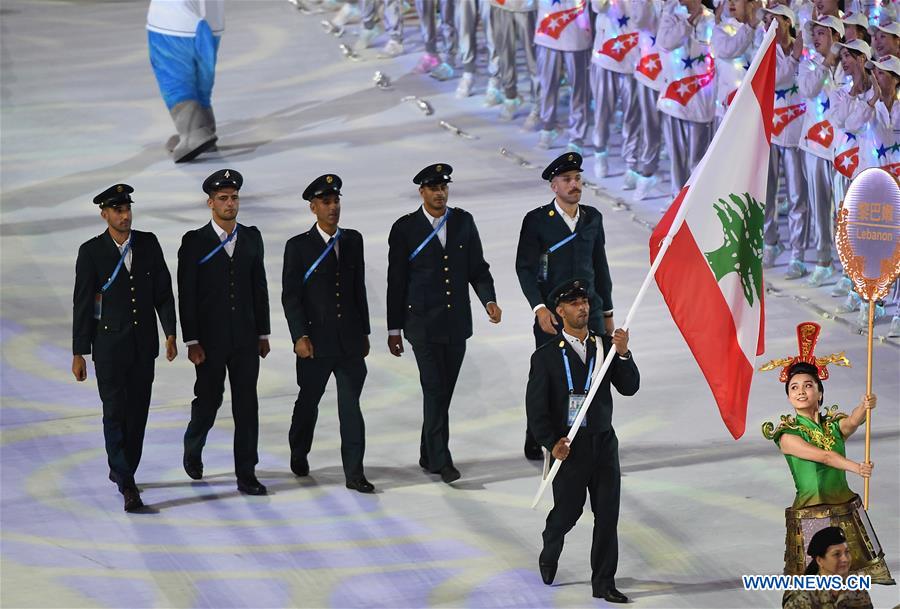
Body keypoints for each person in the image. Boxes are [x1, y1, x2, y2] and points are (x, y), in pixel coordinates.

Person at [386, 163, 501, 484]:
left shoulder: (463, 221)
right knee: (435, 389)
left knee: (443, 392)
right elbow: (396, 281)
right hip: (422, 325)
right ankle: (441, 458)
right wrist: (394, 329)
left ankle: (428, 451)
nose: (440, 193)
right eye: (433, 188)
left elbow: (477, 268)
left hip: (456, 323)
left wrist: (489, 300)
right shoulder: (405, 229)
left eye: (443, 187)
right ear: (421, 191)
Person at [526, 279, 639, 603]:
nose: (583, 307)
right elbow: (536, 410)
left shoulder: (605, 347)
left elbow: (630, 387)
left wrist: (624, 354)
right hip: (570, 448)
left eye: (585, 302)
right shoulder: (546, 357)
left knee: (607, 516)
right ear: (560, 311)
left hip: (603, 444)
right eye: (574, 303)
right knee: (568, 513)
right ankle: (551, 542)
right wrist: (551, 442)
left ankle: (603, 582)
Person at [761, 321, 894, 585]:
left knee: (849, 578)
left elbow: (852, 422)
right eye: (794, 387)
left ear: (820, 393)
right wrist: (856, 467)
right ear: (788, 397)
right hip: (812, 515)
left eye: (808, 385)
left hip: (844, 510)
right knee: (814, 583)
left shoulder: (832, 426)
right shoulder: (787, 435)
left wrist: (864, 405)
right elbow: (825, 456)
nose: (801, 391)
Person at [72, 184, 177, 512]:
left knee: (138, 413)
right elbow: (84, 304)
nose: (125, 215)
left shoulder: (148, 243)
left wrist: (170, 332)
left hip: (143, 346)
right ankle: (126, 480)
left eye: (127, 208)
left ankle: (124, 467)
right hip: (109, 348)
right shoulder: (91, 252)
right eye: (118, 210)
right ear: (105, 214)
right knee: (115, 412)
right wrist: (79, 351)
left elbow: (163, 292)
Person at [515, 152, 615, 461]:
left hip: (589, 312)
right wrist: (539, 308)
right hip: (553, 314)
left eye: (578, 179)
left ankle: (593, 436)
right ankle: (539, 435)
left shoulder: (592, 218)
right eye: (567, 179)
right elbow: (525, 268)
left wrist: (607, 314)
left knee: (592, 375)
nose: (575, 185)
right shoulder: (536, 221)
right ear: (553, 186)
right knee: (548, 378)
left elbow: (600, 266)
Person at [177, 169, 271, 496]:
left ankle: (247, 473)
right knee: (209, 400)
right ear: (210, 203)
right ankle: (193, 445)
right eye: (223, 198)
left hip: (245, 337)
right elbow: (187, 293)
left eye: (234, 198)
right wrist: (192, 340)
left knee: (247, 405)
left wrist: (263, 332)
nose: (230, 203)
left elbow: (259, 287)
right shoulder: (195, 242)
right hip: (210, 341)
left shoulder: (252, 237)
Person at [282, 174, 374, 494]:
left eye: (336, 201)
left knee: (351, 408)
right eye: (326, 202)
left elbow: (358, 289)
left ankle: (355, 473)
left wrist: (364, 331)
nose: (333, 207)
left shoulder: (353, 240)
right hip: (315, 344)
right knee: (308, 403)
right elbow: (291, 296)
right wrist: (299, 335)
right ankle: (298, 450)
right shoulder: (298, 246)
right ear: (313, 207)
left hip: (349, 343)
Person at [761, 5, 810, 275]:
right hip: (769, 131)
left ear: (787, 22)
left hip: (795, 134)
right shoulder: (763, 49)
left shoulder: (804, 50)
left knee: (796, 196)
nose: (768, 23)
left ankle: (798, 254)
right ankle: (771, 242)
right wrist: (793, 57)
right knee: (767, 192)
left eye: (774, 19)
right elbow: (775, 78)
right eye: (766, 19)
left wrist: (799, 54)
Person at [796, 15, 845, 285]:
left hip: (842, 151)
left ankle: (848, 270)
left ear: (836, 37)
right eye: (814, 33)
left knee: (843, 211)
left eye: (822, 33)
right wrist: (825, 64)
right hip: (815, 147)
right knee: (819, 207)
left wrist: (836, 63)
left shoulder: (848, 67)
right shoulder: (809, 63)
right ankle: (823, 260)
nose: (816, 38)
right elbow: (808, 89)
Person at [146, 0, 222, 163]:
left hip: (171, 21)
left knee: (174, 80)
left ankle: (192, 132)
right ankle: (205, 128)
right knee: (202, 82)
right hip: (213, 19)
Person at [656, 0, 717, 201]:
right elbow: (665, 42)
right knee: (677, 160)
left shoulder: (711, 20)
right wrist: (688, 22)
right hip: (674, 102)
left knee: (698, 161)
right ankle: (677, 202)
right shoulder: (671, 16)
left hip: (702, 104)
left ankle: (695, 203)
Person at [589, 0, 642, 179]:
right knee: (602, 113)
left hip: (634, 61)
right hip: (606, 58)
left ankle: (632, 163)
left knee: (632, 117)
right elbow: (598, 6)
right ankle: (600, 152)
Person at [533, 0, 593, 151]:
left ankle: (576, 138)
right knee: (547, 84)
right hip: (547, 29)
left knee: (579, 90)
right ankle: (548, 127)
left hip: (577, 31)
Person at [782, 526, 875, 609]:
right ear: (819, 560)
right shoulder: (801, 597)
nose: (845, 559)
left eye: (847, 552)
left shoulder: (857, 590)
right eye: (836, 554)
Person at [490, 0, 541, 127]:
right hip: (500, 4)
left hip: (527, 7)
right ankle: (510, 97)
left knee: (533, 58)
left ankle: (538, 105)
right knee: (504, 54)